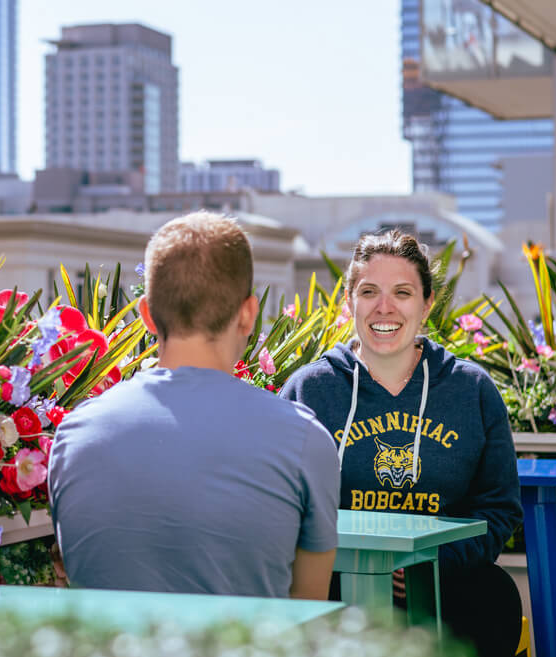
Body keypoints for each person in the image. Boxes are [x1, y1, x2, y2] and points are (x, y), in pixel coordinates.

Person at [48, 212, 339, 599]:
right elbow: (308, 609)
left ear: (147, 315)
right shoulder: (304, 440)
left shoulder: (74, 436)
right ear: (249, 314)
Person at [279, 230, 522, 656]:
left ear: (427, 303)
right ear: (349, 301)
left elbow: (499, 509)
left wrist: (427, 566)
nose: (384, 307)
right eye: (369, 291)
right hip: (334, 587)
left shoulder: (471, 390)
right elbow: (280, 506)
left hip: (447, 588)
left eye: (402, 292)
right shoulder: (310, 390)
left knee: (495, 596)